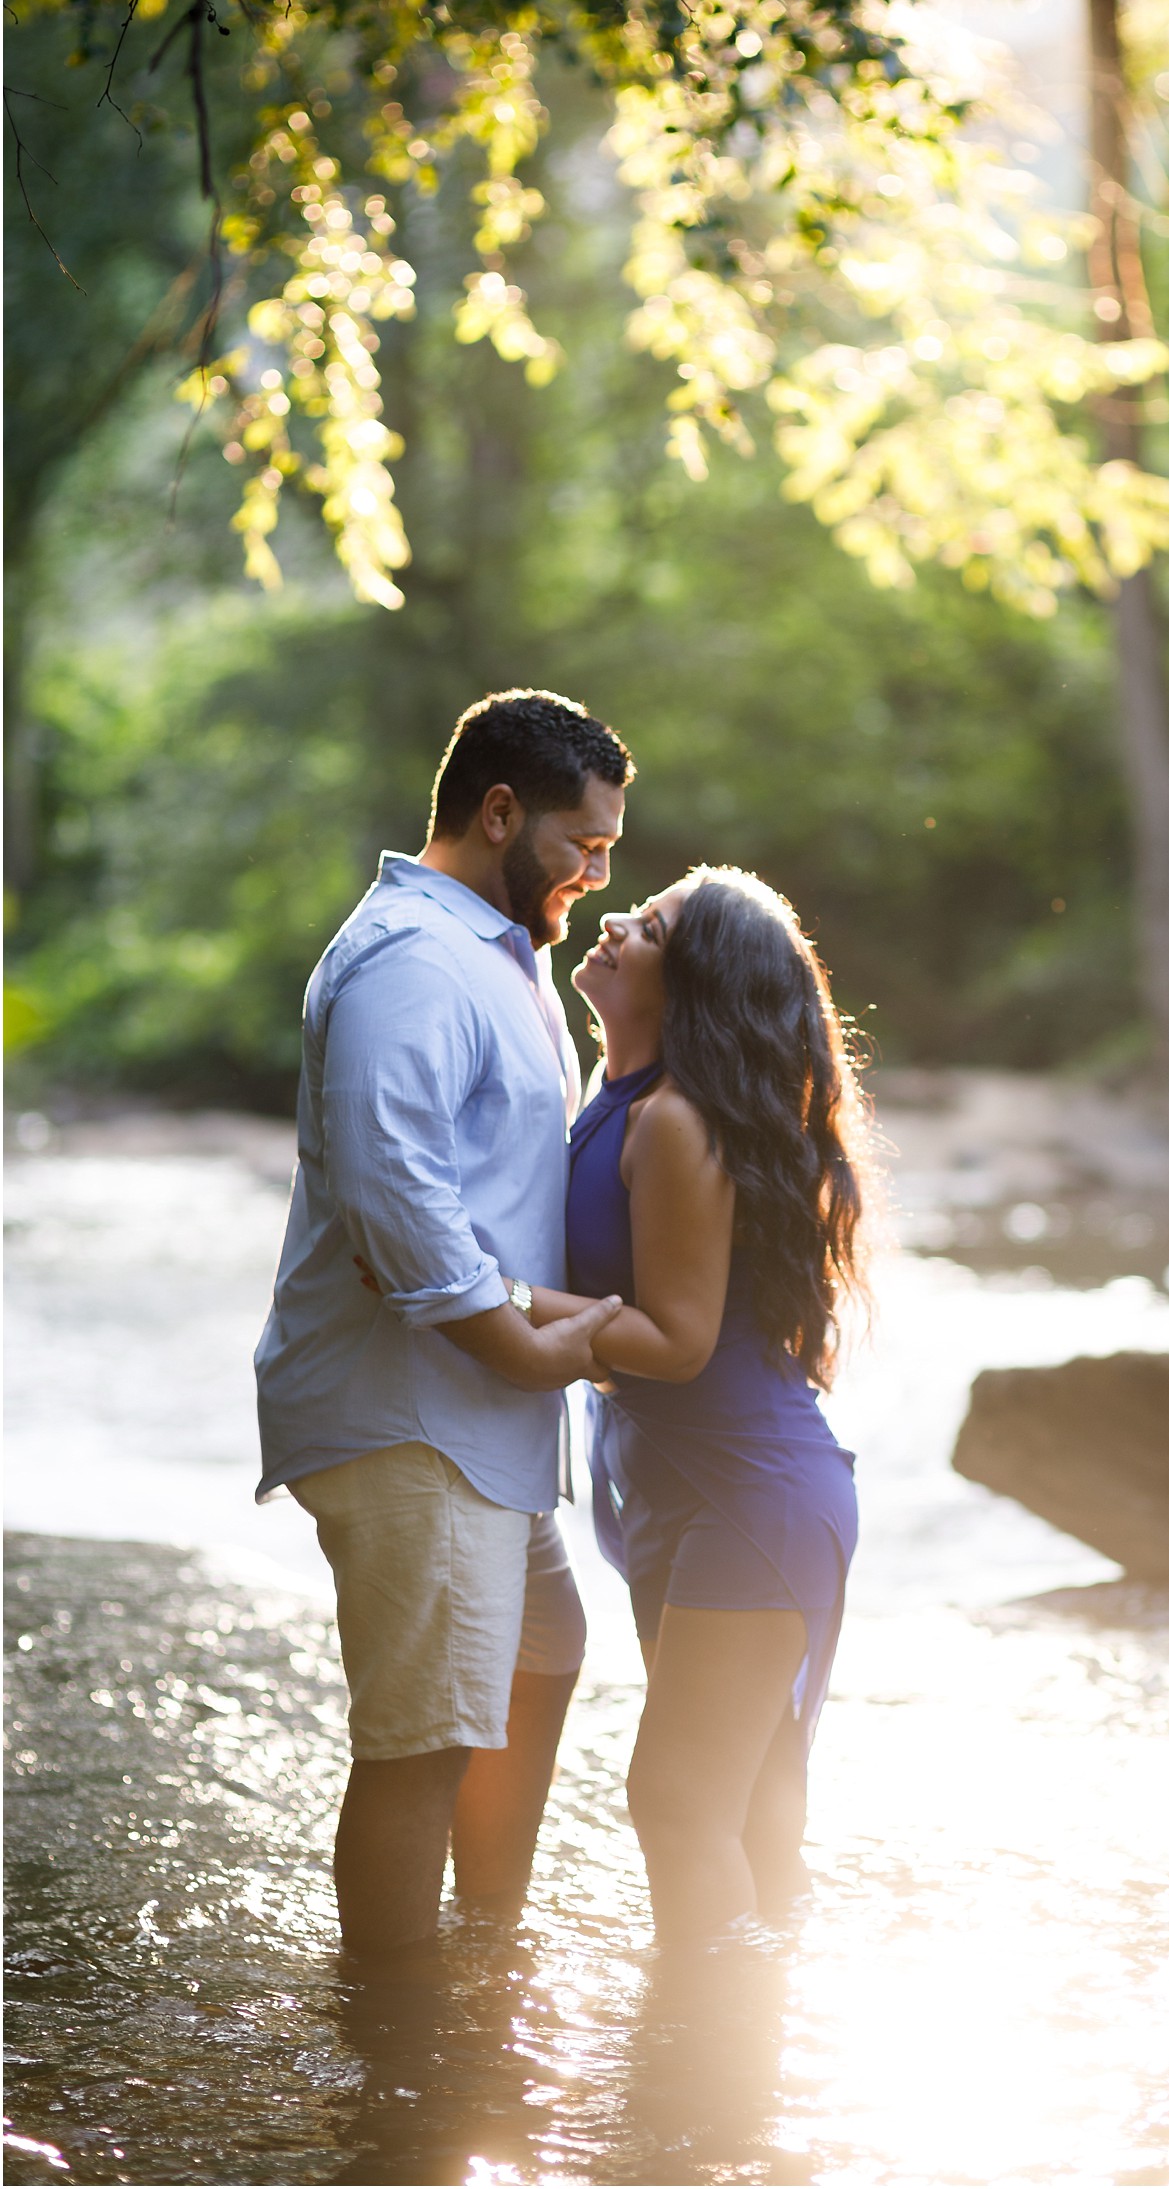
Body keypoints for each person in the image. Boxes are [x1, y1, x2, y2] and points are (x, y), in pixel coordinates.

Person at [254, 687, 631, 1962]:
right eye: (582, 844)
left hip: (477, 1413)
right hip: (410, 1411)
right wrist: (525, 1347)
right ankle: (397, 2041)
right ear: (499, 810)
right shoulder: (414, 962)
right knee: (421, 1744)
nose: (593, 871)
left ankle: (485, 1947)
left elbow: (485, 1199)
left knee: (545, 1653)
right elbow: (392, 1189)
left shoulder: (493, 948)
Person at [501, 866, 874, 1946]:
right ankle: (753, 2066)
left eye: (648, 922)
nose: (613, 922)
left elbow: (674, 1341)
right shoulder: (612, 1104)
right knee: (749, 1807)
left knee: (675, 1802)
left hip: (750, 1498)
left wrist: (494, 1293)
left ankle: (705, 2060)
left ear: (694, 985)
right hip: (679, 1490)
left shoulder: (672, 1120)